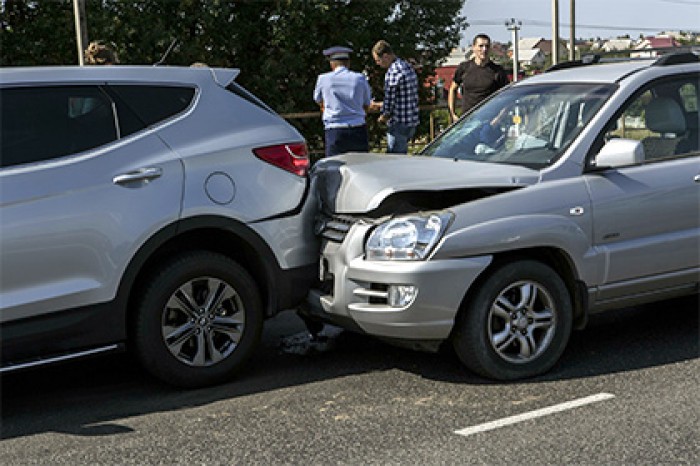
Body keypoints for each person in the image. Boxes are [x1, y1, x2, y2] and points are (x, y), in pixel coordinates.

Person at [313, 45, 372, 157]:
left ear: (332, 63)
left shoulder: (323, 79)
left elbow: (318, 99)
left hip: (335, 129)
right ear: (348, 63)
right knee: (361, 166)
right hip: (357, 128)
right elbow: (366, 103)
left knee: (334, 167)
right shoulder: (359, 78)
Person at [371, 40, 420, 153]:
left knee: (394, 160)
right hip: (412, 120)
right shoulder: (407, 66)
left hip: (399, 122)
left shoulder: (393, 72)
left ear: (386, 56)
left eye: (378, 60)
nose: (378, 63)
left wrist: (383, 116)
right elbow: (404, 97)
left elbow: (390, 100)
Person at [448, 34, 508, 122]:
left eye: (487, 46)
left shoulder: (497, 71)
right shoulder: (464, 68)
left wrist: (499, 118)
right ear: (474, 47)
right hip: (467, 120)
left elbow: (507, 97)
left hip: (489, 121)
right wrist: (453, 114)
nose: (484, 49)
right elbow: (452, 89)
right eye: (481, 46)